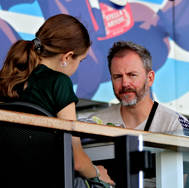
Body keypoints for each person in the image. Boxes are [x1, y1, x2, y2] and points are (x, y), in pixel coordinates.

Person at [0, 14, 114, 186]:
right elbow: (77, 161)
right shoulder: (59, 83)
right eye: (80, 61)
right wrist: (98, 173)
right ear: (67, 57)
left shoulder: (7, 80)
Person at [89, 41, 185, 134]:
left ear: (150, 79)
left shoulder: (174, 125)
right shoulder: (96, 123)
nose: (125, 83)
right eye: (118, 76)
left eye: (132, 75)